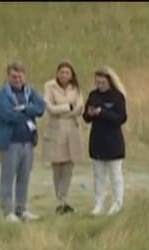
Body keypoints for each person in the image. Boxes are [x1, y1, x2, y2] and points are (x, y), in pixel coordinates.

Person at [0, 62, 46, 223]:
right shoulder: (3, 94)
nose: (17, 79)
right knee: (8, 177)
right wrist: (28, 113)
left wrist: (24, 109)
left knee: (24, 177)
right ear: (8, 76)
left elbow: (40, 108)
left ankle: (21, 209)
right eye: (14, 76)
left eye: (20, 76)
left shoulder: (30, 92)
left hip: (28, 142)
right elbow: (7, 114)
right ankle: (7, 211)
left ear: (25, 76)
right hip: (10, 142)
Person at [42, 61, 86, 215]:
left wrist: (64, 110)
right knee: (57, 166)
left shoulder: (76, 88)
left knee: (69, 166)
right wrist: (68, 107)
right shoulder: (50, 86)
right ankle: (60, 200)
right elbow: (50, 108)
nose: (64, 75)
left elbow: (80, 107)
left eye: (67, 72)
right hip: (56, 130)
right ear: (57, 73)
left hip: (72, 130)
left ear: (72, 75)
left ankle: (63, 200)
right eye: (61, 72)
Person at [83, 67, 128, 216]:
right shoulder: (93, 95)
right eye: (97, 82)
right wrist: (90, 113)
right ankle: (99, 204)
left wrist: (102, 112)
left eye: (103, 82)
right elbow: (85, 118)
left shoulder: (117, 96)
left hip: (113, 140)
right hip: (97, 139)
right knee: (98, 175)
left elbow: (121, 118)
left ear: (110, 82)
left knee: (115, 174)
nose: (100, 85)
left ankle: (117, 202)